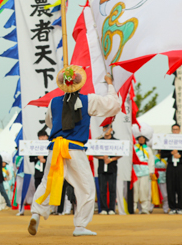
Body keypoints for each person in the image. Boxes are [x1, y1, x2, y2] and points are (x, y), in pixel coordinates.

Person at [28, 66, 121, 237]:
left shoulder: (54, 102)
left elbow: (50, 123)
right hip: (75, 150)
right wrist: (109, 84)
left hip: (55, 147)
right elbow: (113, 105)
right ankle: (80, 226)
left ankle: (36, 213)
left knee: (47, 183)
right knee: (86, 187)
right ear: (80, 85)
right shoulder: (89, 100)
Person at [160, 124, 182, 214]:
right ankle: (172, 207)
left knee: (181, 186)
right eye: (173, 129)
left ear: (179, 130)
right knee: (170, 187)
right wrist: (171, 153)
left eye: (177, 129)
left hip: (181, 166)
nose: (175, 131)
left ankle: (180, 207)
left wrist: (180, 156)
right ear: (172, 130)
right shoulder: (167, 141)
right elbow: (162, 154)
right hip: (171, 166)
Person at [97, 121, 121, 215]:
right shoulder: (99, 141)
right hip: (102, 168)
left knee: (112, 188)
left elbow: (121, 154)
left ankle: (111, 208)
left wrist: (111, 159)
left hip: (112, 168)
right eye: (104, 129)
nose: (106, 131)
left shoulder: (116, 141)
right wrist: (103, 158)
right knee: (102, 189)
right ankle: (103, 208)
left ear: (111, 130)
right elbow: (94, 153)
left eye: (108, 129)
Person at [132, 124, 155, 214]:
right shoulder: (134, 148)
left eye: (143, 138)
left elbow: (151, 161)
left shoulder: (148, 149)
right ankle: (133, 208)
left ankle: (145, 209)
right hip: (135, 171)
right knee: (135, 191)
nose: (141, 139)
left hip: (145, 172)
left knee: (144, 190)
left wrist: (151, 171)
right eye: (140, 137)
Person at [29, 130, 49, 198]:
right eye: (40, 137)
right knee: (38, 189)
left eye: (43, 136)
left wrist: (45, 160)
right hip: (38, 173)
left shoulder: (50, 145)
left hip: (48, 172)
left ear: (47, 136)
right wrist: (37, 157)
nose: (42, 138)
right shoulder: (35, 146)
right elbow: (31, 158)